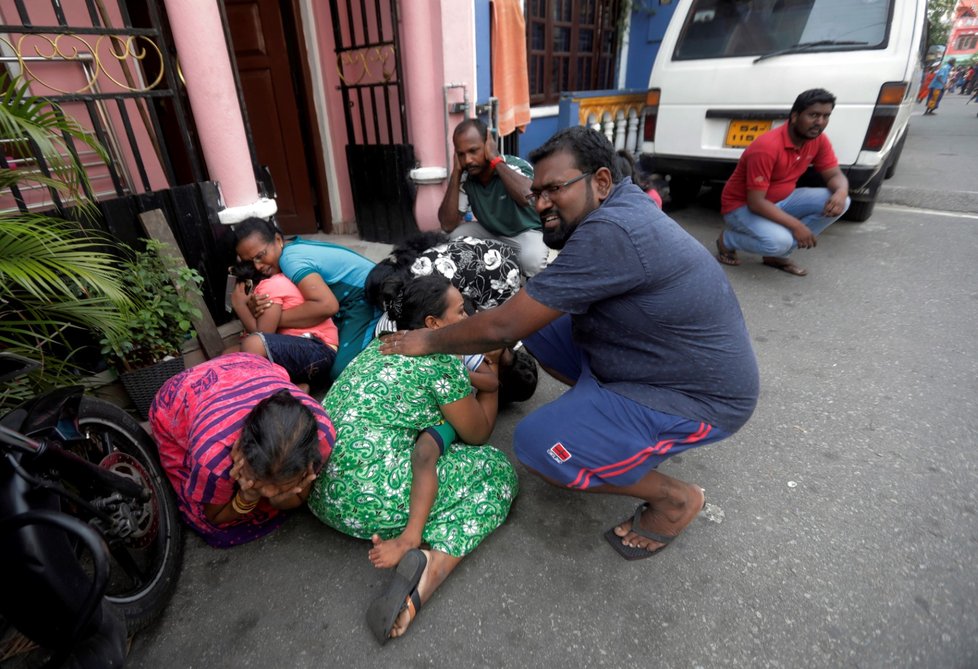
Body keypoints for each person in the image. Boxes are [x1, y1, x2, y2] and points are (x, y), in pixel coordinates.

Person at [381, 125, 759, 562]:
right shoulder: (618, 208)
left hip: (700, 396)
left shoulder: (613, 232)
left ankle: (675, 499)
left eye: (554, 189)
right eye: (537, 192)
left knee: (539, 446)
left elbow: (501, 328)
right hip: (656, 359)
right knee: (535, 323)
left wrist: (427, 339)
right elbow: (515, 321)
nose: (540, 204)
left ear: (600, 181)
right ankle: (605, 427)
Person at [307, 273, 517, 643]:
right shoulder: (440, 363)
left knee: (433, 436)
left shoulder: (381, 345)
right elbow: (479, 432)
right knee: (498, 471)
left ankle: (417, 542)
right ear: (432, 325)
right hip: (370, 503)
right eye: (461, 311)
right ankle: (431, 567)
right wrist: (494, 367)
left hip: (320, 492)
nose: (468, 317)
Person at [149, 353, 335, 548]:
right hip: (178, 393)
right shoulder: (212, 458)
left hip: (248, 365)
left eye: (281, 485)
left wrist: (280, 499)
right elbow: (215, 516)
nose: (267, 492)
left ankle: (296, 388)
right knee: (214, 527)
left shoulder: (323, 434)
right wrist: (246, 498)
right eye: (259, 481)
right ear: (239, 449)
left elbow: (294, 497)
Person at [716, 88, 850, 277]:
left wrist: (841, 192)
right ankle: (728, 240)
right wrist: (797, 226)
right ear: (795, 116)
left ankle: (776, 256)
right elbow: (755, 203)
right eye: (813, 115)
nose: (820, 122)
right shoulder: (767, 147)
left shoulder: (818, 140)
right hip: (741, 206)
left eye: (825, 116)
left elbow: (835, 175)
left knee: (842, 201)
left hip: (781, 200)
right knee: (779, 241)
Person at [233, 217, 381, 381]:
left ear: (277, 240)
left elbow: (327, 306)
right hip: (348, 303)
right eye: (249, 262)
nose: (257, 267)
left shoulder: (289, 260)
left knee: (341, 373)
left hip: (368, 297)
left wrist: (273, 318)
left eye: (260, 256)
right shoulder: (287, 252)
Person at [438, 118, 549, 277]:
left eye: (473, 151)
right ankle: (483, 279)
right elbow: (447, 225)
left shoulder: (513, 166)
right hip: (493, 233)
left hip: (527, 233)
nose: (468, 160)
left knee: (532, 261)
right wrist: (456, 173)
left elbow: (528, 197)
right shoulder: (466, 178)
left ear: (488, 145)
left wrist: (496, 160)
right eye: (461, 154)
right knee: (453, 238)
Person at [228, 261, 338, 390]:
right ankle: (295, 386)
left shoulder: (269, 286)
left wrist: (239, 305)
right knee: (229, 354)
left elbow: (262, 334)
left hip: (320, 351)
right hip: (305, 353)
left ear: (247, 285)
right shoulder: (275, 281)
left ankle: (286, 392)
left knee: (253, 344)